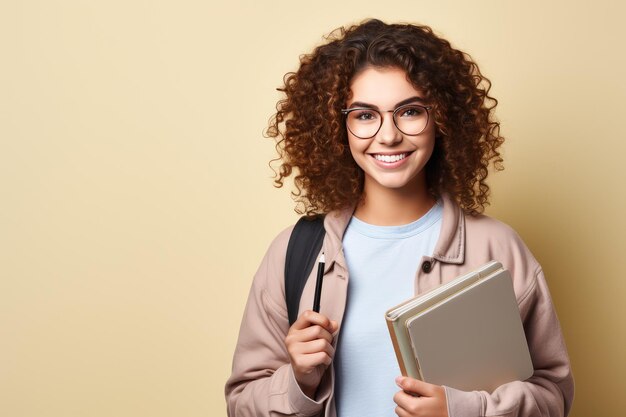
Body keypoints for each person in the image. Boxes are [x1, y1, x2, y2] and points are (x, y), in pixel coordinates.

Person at [225, 18, 574, 417]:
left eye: (409, 111)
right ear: (338, 127)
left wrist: (462, 411)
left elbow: (553, 398)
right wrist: (299, 381)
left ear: (442, 120)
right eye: (364, 115)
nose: (388, 135)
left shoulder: (497, 248)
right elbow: (240, 403)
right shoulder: (295, 252)